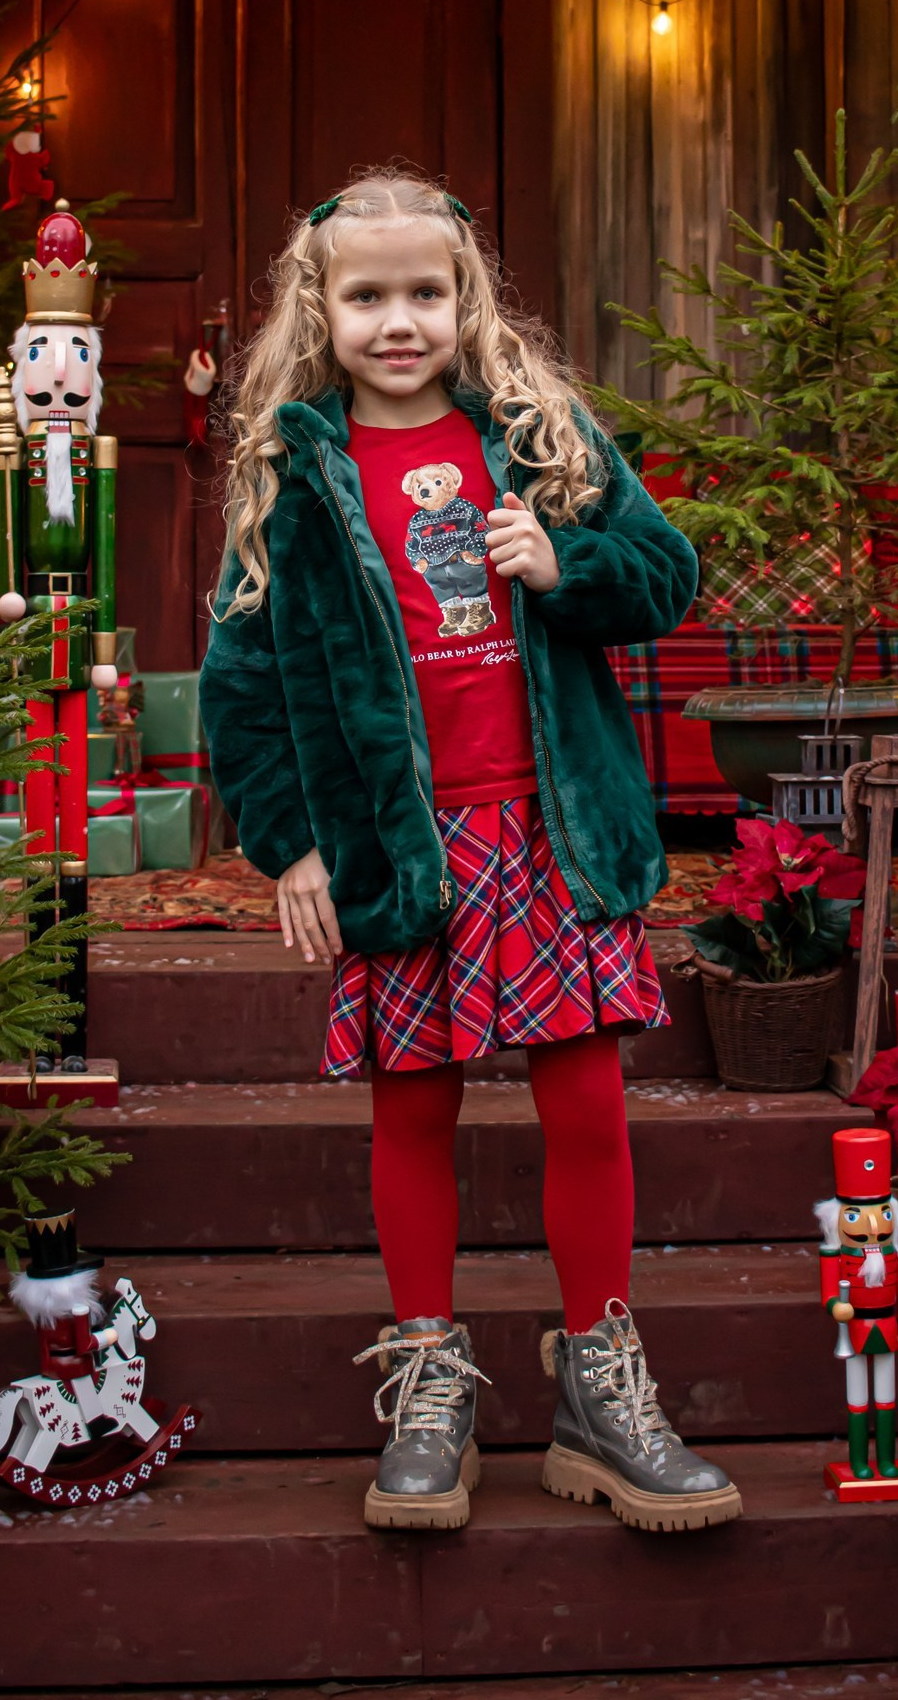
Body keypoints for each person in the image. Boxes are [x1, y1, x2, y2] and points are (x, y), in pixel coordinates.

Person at [200, 168, 743, 1538]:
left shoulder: (537, 434)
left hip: (548, 827)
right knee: (412, 1107)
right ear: (318, 309)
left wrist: (565, 566)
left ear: (467, 300)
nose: (399, 321)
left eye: (424, 293)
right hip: (399, 844)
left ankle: (600, 1383)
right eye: (367, 296)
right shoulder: (293, 470)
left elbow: (665, 575)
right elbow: (242, 676)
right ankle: (432, 1373)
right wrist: (289, 849)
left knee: (585, 1104)